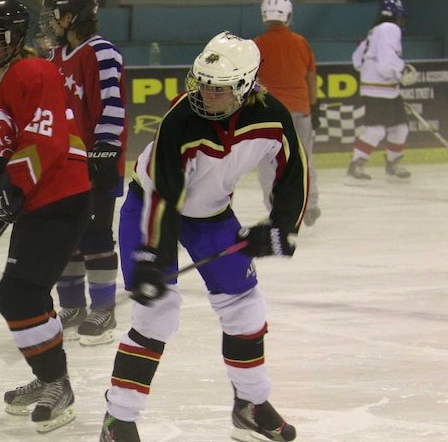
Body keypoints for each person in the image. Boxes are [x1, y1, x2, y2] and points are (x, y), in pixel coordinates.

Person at [99, 31, 306, 442]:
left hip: (211, 216)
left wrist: (282, 227)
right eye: (204, 85)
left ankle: (250, 405)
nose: (207, 96)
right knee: (157, 314)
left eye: (219, 90)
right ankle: (117, 419)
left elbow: (292, 171)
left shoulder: (273, 118)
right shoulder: (181, 118)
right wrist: (150, 256)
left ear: (246, 86)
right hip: (151, 206)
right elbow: (164, 192)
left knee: (246, 308)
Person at [0, 0, 92, 433]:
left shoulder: (32, 71)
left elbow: (46, 141)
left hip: (61, 196)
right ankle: (48, 379)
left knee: (18, 295)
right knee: (25, 295)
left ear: (13, 38)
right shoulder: (2, 81)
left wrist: (11, 190)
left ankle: (57, 383)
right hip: (41, 198)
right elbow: (7, 153)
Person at [40, 0, 128, 346]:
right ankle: (73, 307)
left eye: (54, 14)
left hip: (96, 162)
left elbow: (113, 104)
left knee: (95, 236)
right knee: (65, 237)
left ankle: (103, 309)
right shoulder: (53, 57)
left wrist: (105, 151)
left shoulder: (101, 52)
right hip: (64, 164)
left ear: (72, 16)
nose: (49, 21)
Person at [254, 0, 321, 228]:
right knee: (303, 160)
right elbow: (311, 78)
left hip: (268, 115)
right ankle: (309, 205)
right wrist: (314, 107)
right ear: (288, 15)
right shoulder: (301, 42)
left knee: (268, 163)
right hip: (299, 110)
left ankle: (277, 211)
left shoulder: (257, 45)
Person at [347, 0, 417, 184]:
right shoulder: (390, 29)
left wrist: (396, 73)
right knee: (376, 130)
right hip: (379, 88)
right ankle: (355, 167)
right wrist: (401, 71)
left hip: (385, 88)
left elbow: (357, 60)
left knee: (400, 128)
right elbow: (386, 65)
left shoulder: (375, 30)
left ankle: (392, 165)